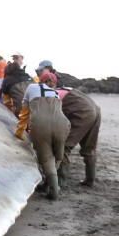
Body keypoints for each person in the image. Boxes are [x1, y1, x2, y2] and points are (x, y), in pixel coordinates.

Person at [15, 72, 71, 200]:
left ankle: (54, 189)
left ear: (40, 80)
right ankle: (49, 184)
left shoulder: (31, 88)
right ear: (54, 83)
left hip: (41, 125)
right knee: (58, 155)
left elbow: (24, 112)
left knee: (46, 157)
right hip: (62, 124)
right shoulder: (56, 94)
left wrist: (19, 131)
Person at [55, 88, 101, 187]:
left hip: (83, 112)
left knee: (63, 146)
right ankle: (90, 180)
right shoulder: (64, 90)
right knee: (89, 148)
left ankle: (60, 182)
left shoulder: (48, 95)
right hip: (95, 109)